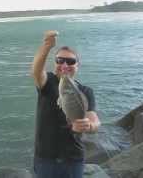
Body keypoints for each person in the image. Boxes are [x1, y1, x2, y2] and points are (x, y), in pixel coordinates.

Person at [31, 30, 100, 178]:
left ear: (78, 65)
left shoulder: (86, 91)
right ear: (55, 62)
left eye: (70, 61)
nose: (64, 65)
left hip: (73, 159)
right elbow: (36, 71)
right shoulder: (47, 82)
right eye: (60, 60)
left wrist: (89, 125)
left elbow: (94, 121)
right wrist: (47, 46)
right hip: (45, 158)